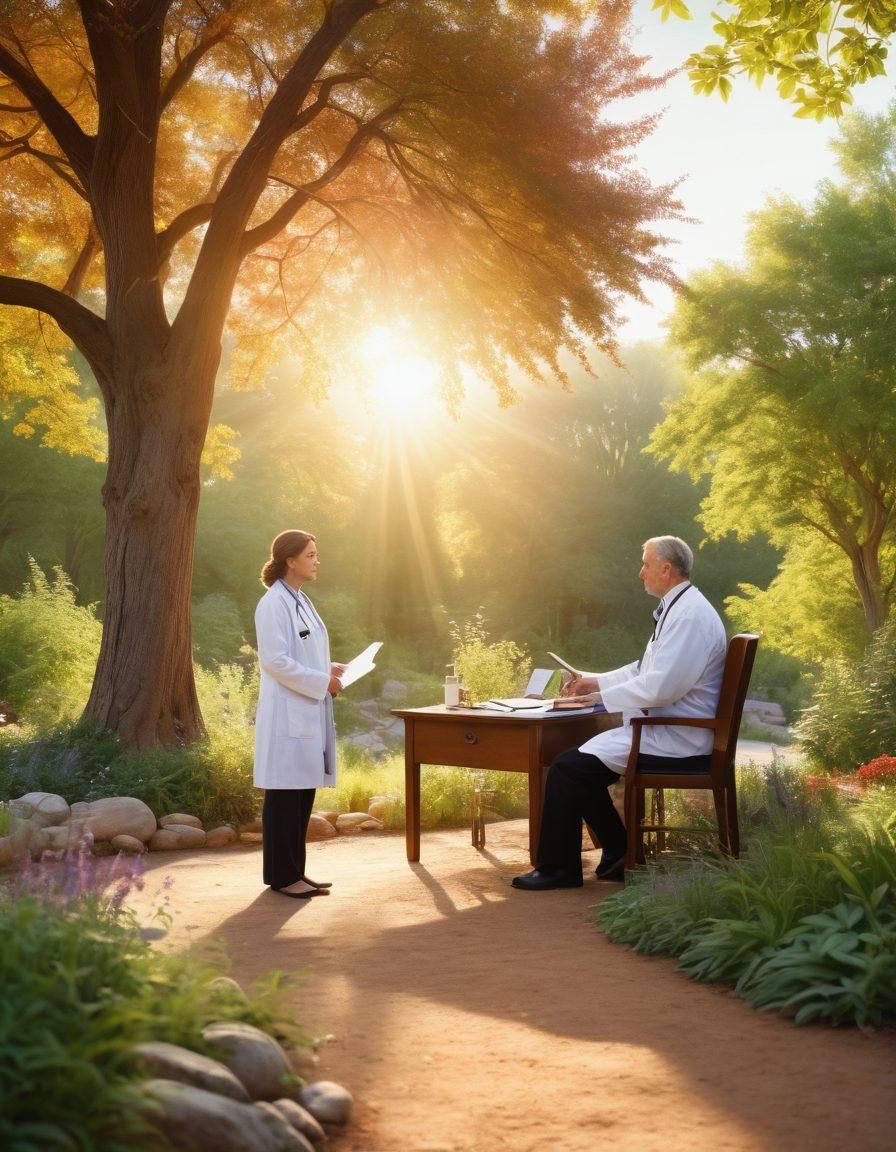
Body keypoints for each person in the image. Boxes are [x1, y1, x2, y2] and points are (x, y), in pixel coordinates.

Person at [512, 535, 727, 890]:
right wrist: (593, 682)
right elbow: (643, 669)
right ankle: (617, 852)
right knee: (577, 769)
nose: (640, 573)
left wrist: (597, 700)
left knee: (567, 769)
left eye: (645, 565)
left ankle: (559, 869)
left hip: (677, 735)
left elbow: (660, 687)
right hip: (668, 728)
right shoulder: (680, 608)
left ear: (665, 569)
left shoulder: (689, 616)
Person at [254, 530, 346, 899]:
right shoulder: (273, 603)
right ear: (290, 560)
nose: (316, 560)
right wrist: (320, 681)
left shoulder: (299, 600)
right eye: (310, 555)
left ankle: (295, 873)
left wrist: (329, 668)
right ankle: (282, 876)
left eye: (316, 553)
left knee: (301, 797)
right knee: (284, 799)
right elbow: (274, 661)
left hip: (305, 710)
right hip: (287, 716)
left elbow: (301, 651)